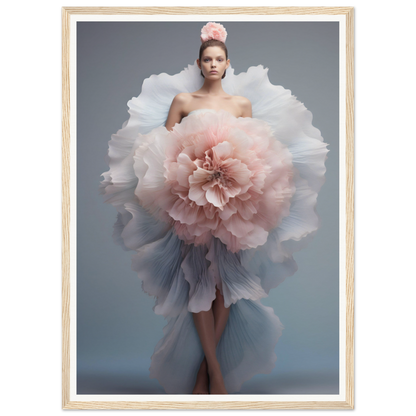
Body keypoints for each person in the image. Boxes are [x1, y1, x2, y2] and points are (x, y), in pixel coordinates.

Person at [100, 22, 328, 395]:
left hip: (233, 201)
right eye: (207, 59)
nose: (212, 65)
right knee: (198, 282)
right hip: (190, 199)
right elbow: (161, 147)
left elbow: (256, 149)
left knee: (225, 283)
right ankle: (214, 374)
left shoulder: (241, 105)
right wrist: (183, 180)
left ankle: (209, 371)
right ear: (198, 62)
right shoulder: (184, 102)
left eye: (218, 59)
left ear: (227, 64)